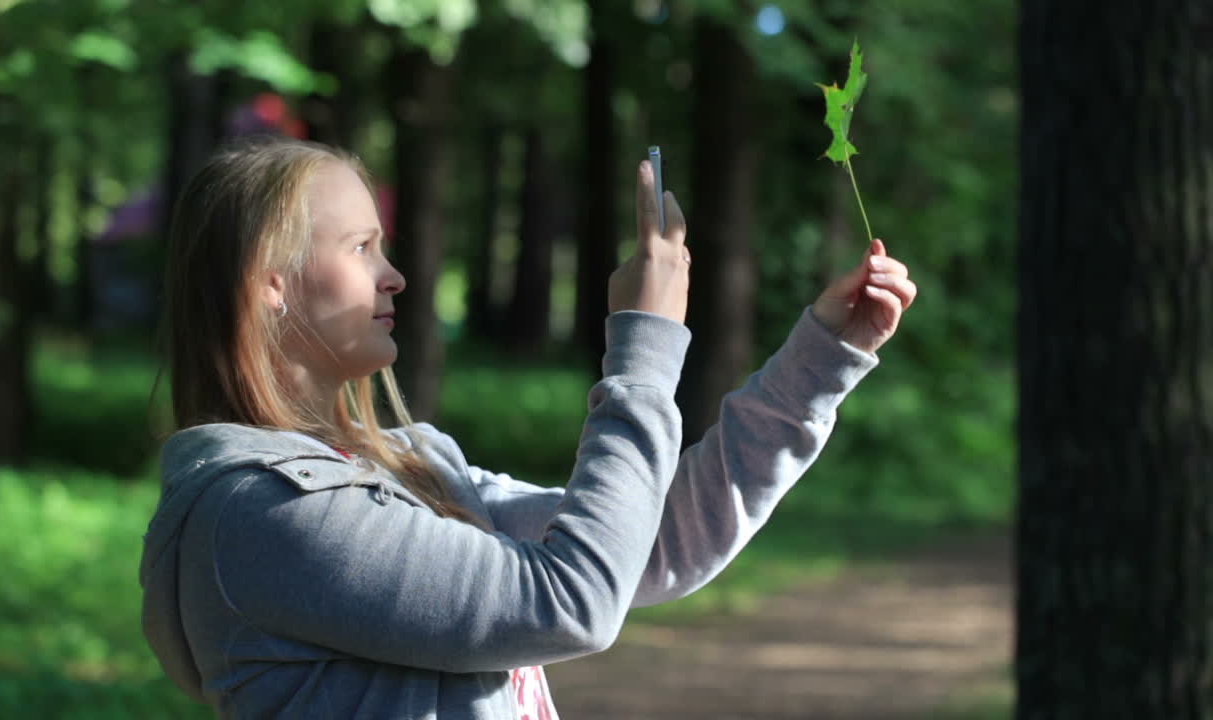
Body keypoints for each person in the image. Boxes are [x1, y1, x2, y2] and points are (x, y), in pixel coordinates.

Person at [139, 135, 917, 719]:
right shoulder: (258, 514)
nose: (394, 274)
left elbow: (655, 541)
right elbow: (569, 603)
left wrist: (826, 353)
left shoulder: (413, 466)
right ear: (271, 286)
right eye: (361, 247)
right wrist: (642, 348)